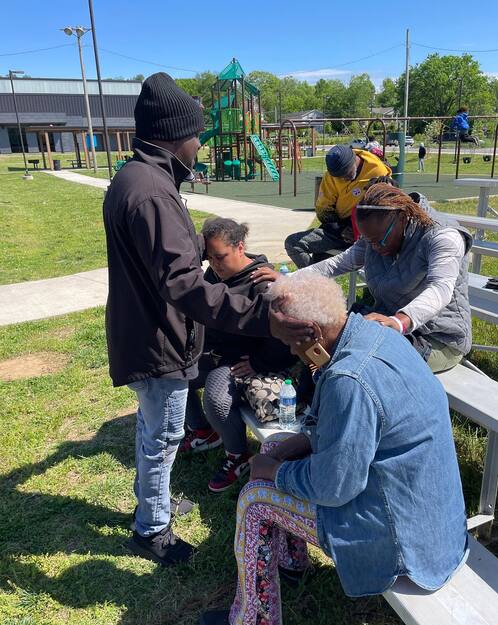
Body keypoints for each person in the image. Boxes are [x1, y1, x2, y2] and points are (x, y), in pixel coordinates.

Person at [103, 72, 313, 567]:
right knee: (162, 438)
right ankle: (152, 529)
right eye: (197, 135)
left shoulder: (137, 178)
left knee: (152, 430)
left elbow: (166, 255)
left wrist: (204, 245)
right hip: (157, 339)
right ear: (176, 135)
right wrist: (264, 317)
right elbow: (183, 284)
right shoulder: (153, 192)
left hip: (144, 332)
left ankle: (151, 505)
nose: (200, 145)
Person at [200, 273, 468, 625]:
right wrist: (303, 443)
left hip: (405, 540)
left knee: (254, 500)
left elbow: (334, 486)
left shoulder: (349, 379)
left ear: (311, 332)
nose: (291, 351)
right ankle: (292, 563)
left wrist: (276, 472)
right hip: (431, 515)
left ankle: (253, 619)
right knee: (277, 444)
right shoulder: (375, 333)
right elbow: (367, 428)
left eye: (289, 342)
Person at [253, 182, 472, 373]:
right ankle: (309, 388)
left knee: (357, 360)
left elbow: (440, 288)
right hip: (388, 323)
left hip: (438, 338)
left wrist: (400, 321)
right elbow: (337, 264)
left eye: (379, 240)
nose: (374, 247)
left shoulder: (443, 237)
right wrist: (288, 279)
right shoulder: (376, 236)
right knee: (328, 336)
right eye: (368, 241)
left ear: (402, 218)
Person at [180, 217, 296, 492]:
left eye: (220, 257)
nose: (214, 264)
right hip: (214, 353)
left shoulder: (263, 282)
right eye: (209, 258)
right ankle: (202, 431)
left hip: (242, 362)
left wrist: (258, 362)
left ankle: (238, 454)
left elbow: (284, 338)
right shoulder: (213, 275)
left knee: (216, 398)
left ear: (240, 247)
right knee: (173, 373)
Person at [285, 144, 391, 268]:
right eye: (339, 177)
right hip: (338, 226)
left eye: (346, 174)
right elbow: (323, 211)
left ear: (354, 161)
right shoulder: (331, 176)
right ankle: (315, 279)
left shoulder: (377, 171)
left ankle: (316, 276)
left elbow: (386, 209)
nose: (344, 179)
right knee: (294, 244)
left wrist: (361, 231)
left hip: (368, 230)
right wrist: (341, 230)